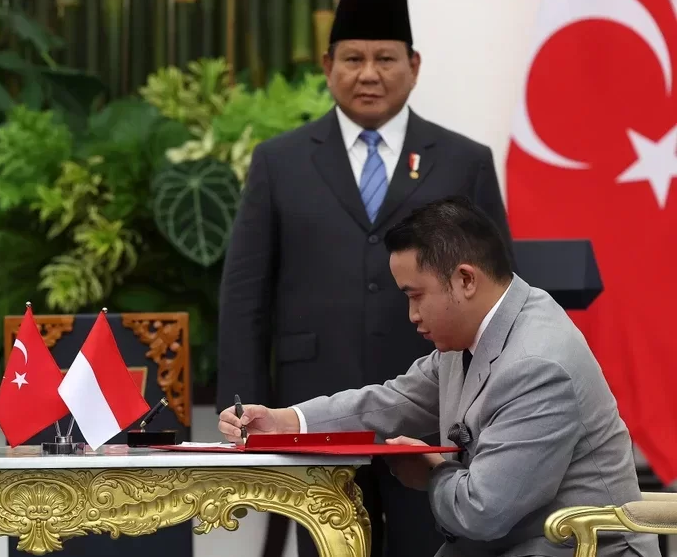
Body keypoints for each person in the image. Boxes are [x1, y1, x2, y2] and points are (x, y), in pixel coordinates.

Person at [216, 0, 516, 557]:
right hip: (311, 409)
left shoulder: (464, 160)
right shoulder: (279, 161)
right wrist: (242, 405)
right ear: (328, 65)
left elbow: (498, 294)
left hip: (435, 414)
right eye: (353, 58)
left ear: (414, 66)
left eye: (386, 58)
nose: (369, 74)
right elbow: (245, 294)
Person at [218, 197, 658, 557]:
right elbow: (396, 400)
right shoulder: (478, 330)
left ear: (465, 279)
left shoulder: (538, 364)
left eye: (416, 296)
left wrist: (432, 474)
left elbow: (483, 512)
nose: (412, 315)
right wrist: (287, 421)